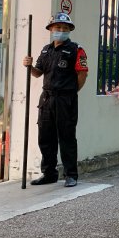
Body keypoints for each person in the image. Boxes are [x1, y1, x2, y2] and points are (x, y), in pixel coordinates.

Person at [22, 12, 88, 187]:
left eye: (65, 28)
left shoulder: (76, 49)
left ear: (69, 31)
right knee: (45, 137)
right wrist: (29, 66)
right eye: (58, 27)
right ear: (51, 29)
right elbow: (38, 73)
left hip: (65, 100)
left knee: (66, 137)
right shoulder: (46, 50)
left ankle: (71, 175)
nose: (61, 30)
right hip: (46, 99)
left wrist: (71, 92)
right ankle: (49, 173)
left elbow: (82, 74)